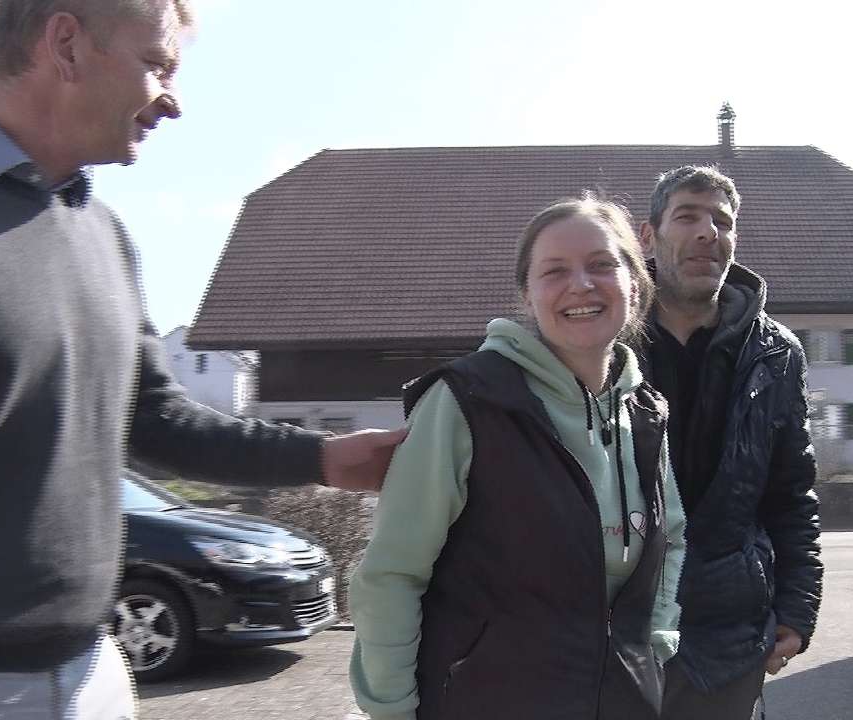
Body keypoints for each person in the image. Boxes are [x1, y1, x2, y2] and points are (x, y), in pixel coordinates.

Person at [0, 2, 404, 717]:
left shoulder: (104, 235)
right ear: (66, 44)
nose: (173, 101)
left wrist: (326, 459)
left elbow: (157, 419)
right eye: (156, 65)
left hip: (94, 667)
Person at [349, 196, 687, 720]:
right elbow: (392, 573)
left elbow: (672, 538)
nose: (581, 284)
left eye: (602, 264)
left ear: (635, 284)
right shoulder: (467, 402)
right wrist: (391, 710)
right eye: (555, 271)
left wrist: (656, 641)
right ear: (527, 295)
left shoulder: (645, 412)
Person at [636, 165, 822, 719]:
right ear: (648, 235)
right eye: (687, 216)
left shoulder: (776, 352)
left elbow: (793, 492)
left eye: (722, 221)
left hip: (731, 634)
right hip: (620, 628)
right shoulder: (606, 339)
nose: (707, 232)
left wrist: (798, 607)